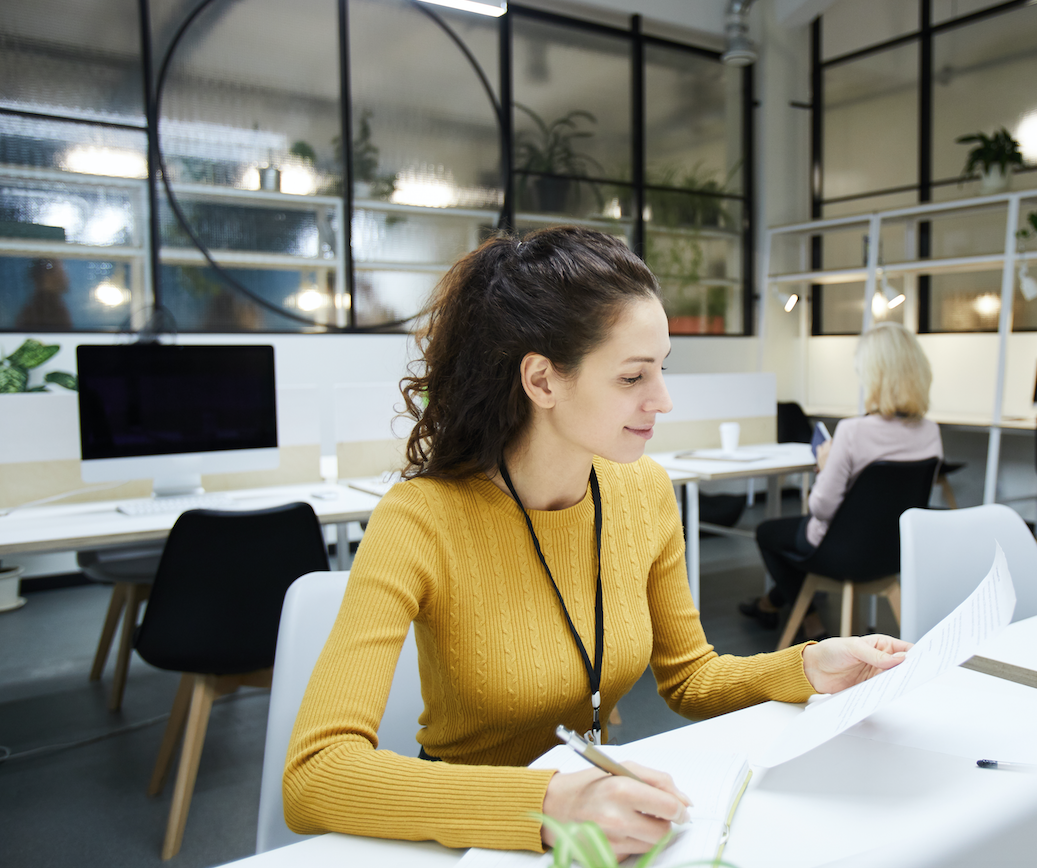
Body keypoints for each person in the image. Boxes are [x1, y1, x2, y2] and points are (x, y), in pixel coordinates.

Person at [284, 227, 911, 857]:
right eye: (632, 377)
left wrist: (806, 665)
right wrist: (551, 802)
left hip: (598, 823)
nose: (662, 400)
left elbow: (690, 678)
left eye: (661, 369)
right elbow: (315, 775)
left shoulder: (642, 491)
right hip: (468, 833)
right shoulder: (420, 519)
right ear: (543, 381)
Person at [740, 321, 943, 642]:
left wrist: (825, 465)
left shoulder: (853, 431)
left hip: (839, 552)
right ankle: (770, 604)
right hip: (893, 552)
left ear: (875, 375)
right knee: (795, 541)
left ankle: (810, 622)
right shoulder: (930, 431)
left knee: (769, 533)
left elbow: (821, 508)